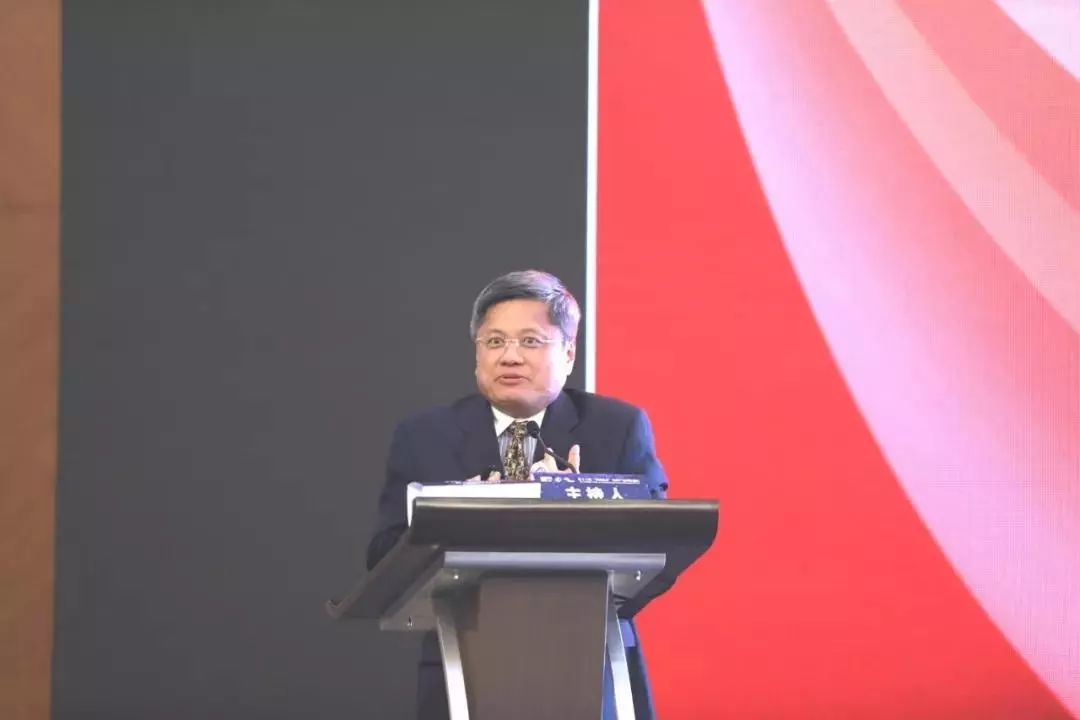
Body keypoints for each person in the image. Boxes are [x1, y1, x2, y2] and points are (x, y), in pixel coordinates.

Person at [367, 269, 668, 719]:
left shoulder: (616, 427)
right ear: (477, 354)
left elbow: (658, 539)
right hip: (462, 666)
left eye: (530, 341)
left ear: (568, 352)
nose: (510, 356)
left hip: (589, 666)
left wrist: (575, 500)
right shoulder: (425, 436)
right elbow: (383, 557)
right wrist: (457, 515)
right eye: (494, 341)